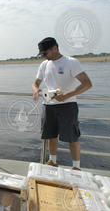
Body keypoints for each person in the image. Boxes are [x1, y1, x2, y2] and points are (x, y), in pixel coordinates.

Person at [32, 37, 92, 170]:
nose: (43, 56)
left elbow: (87, 84)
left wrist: (66, 96)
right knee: (50, 136)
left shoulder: (71, 62)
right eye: (41, 54)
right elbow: (36, 83)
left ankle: (76, 167)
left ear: (55, 48)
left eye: (45, 53)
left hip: (68, 106)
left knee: (72, 137)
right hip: (48, 106)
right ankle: (52, 162)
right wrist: (36, 90)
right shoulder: (44, 65)